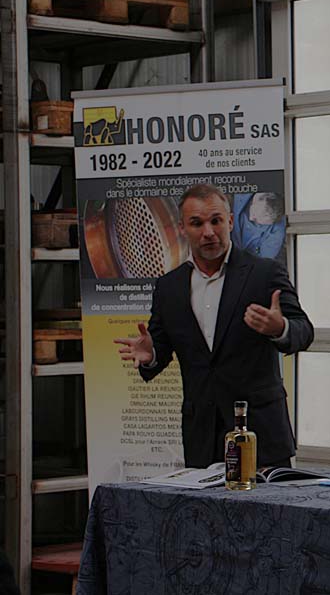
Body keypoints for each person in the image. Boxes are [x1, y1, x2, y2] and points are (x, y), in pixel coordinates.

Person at [114, 183, 314, 468]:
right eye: (197, 223)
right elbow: (160, 349)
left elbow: (304, 331)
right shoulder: (169, 287)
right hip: (202, 439)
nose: (208, 232)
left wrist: (279, 328)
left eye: (216, 221)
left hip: (261, 435)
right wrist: (152, 354)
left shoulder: (264, 273)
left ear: (230, 222)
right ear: (183, 228)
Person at [231, 191, 287, 260]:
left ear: (270, 223)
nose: (251, 218)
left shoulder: (275, 236)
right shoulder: (236, 194)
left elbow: (262, 260)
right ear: (255, 197)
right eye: (253, 213)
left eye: (256, 221)